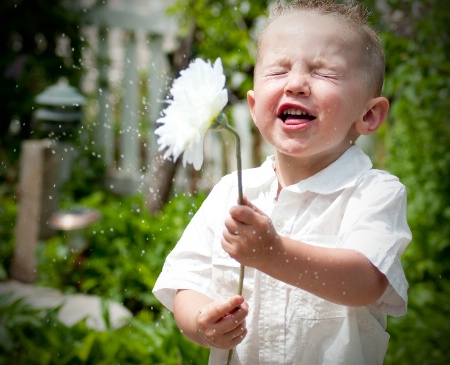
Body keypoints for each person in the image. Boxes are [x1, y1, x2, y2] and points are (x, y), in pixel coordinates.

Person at [153, 0, 412, 364]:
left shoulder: (373, 193)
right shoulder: (232, 192)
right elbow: (187, 281)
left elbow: (367, 281)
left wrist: (274, 255)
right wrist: (200, 321)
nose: (296, 84)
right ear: (256, 106)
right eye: (278, 71)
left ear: (369, 115)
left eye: (324, 73)